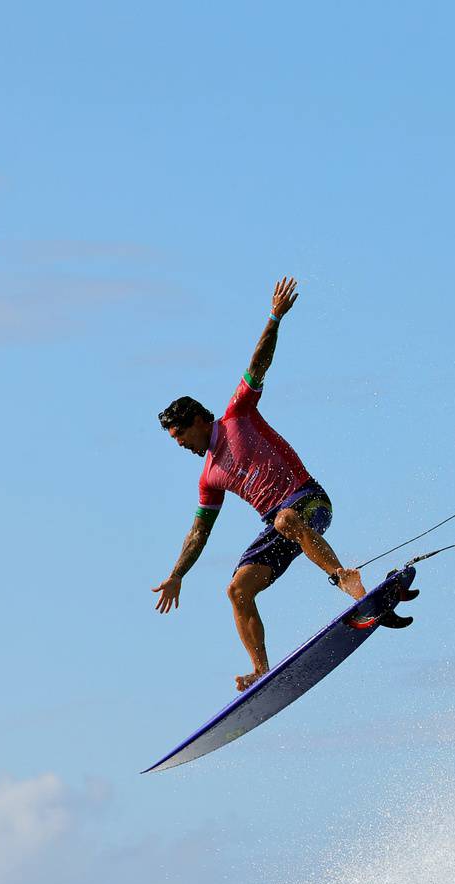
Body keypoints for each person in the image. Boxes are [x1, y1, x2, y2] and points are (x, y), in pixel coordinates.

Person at [153, 277, 366, 691]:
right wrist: (178, 573)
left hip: (310, 502)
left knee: (286, 518)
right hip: (281, 524)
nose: (182, 446)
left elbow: (258, 362)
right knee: (237, 589)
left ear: (198, 420)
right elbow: (199, 532)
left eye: (182, 437)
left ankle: (343, 577)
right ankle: (262, 670)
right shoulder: (208, 477)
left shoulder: (238, 414)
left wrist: (275, 317)